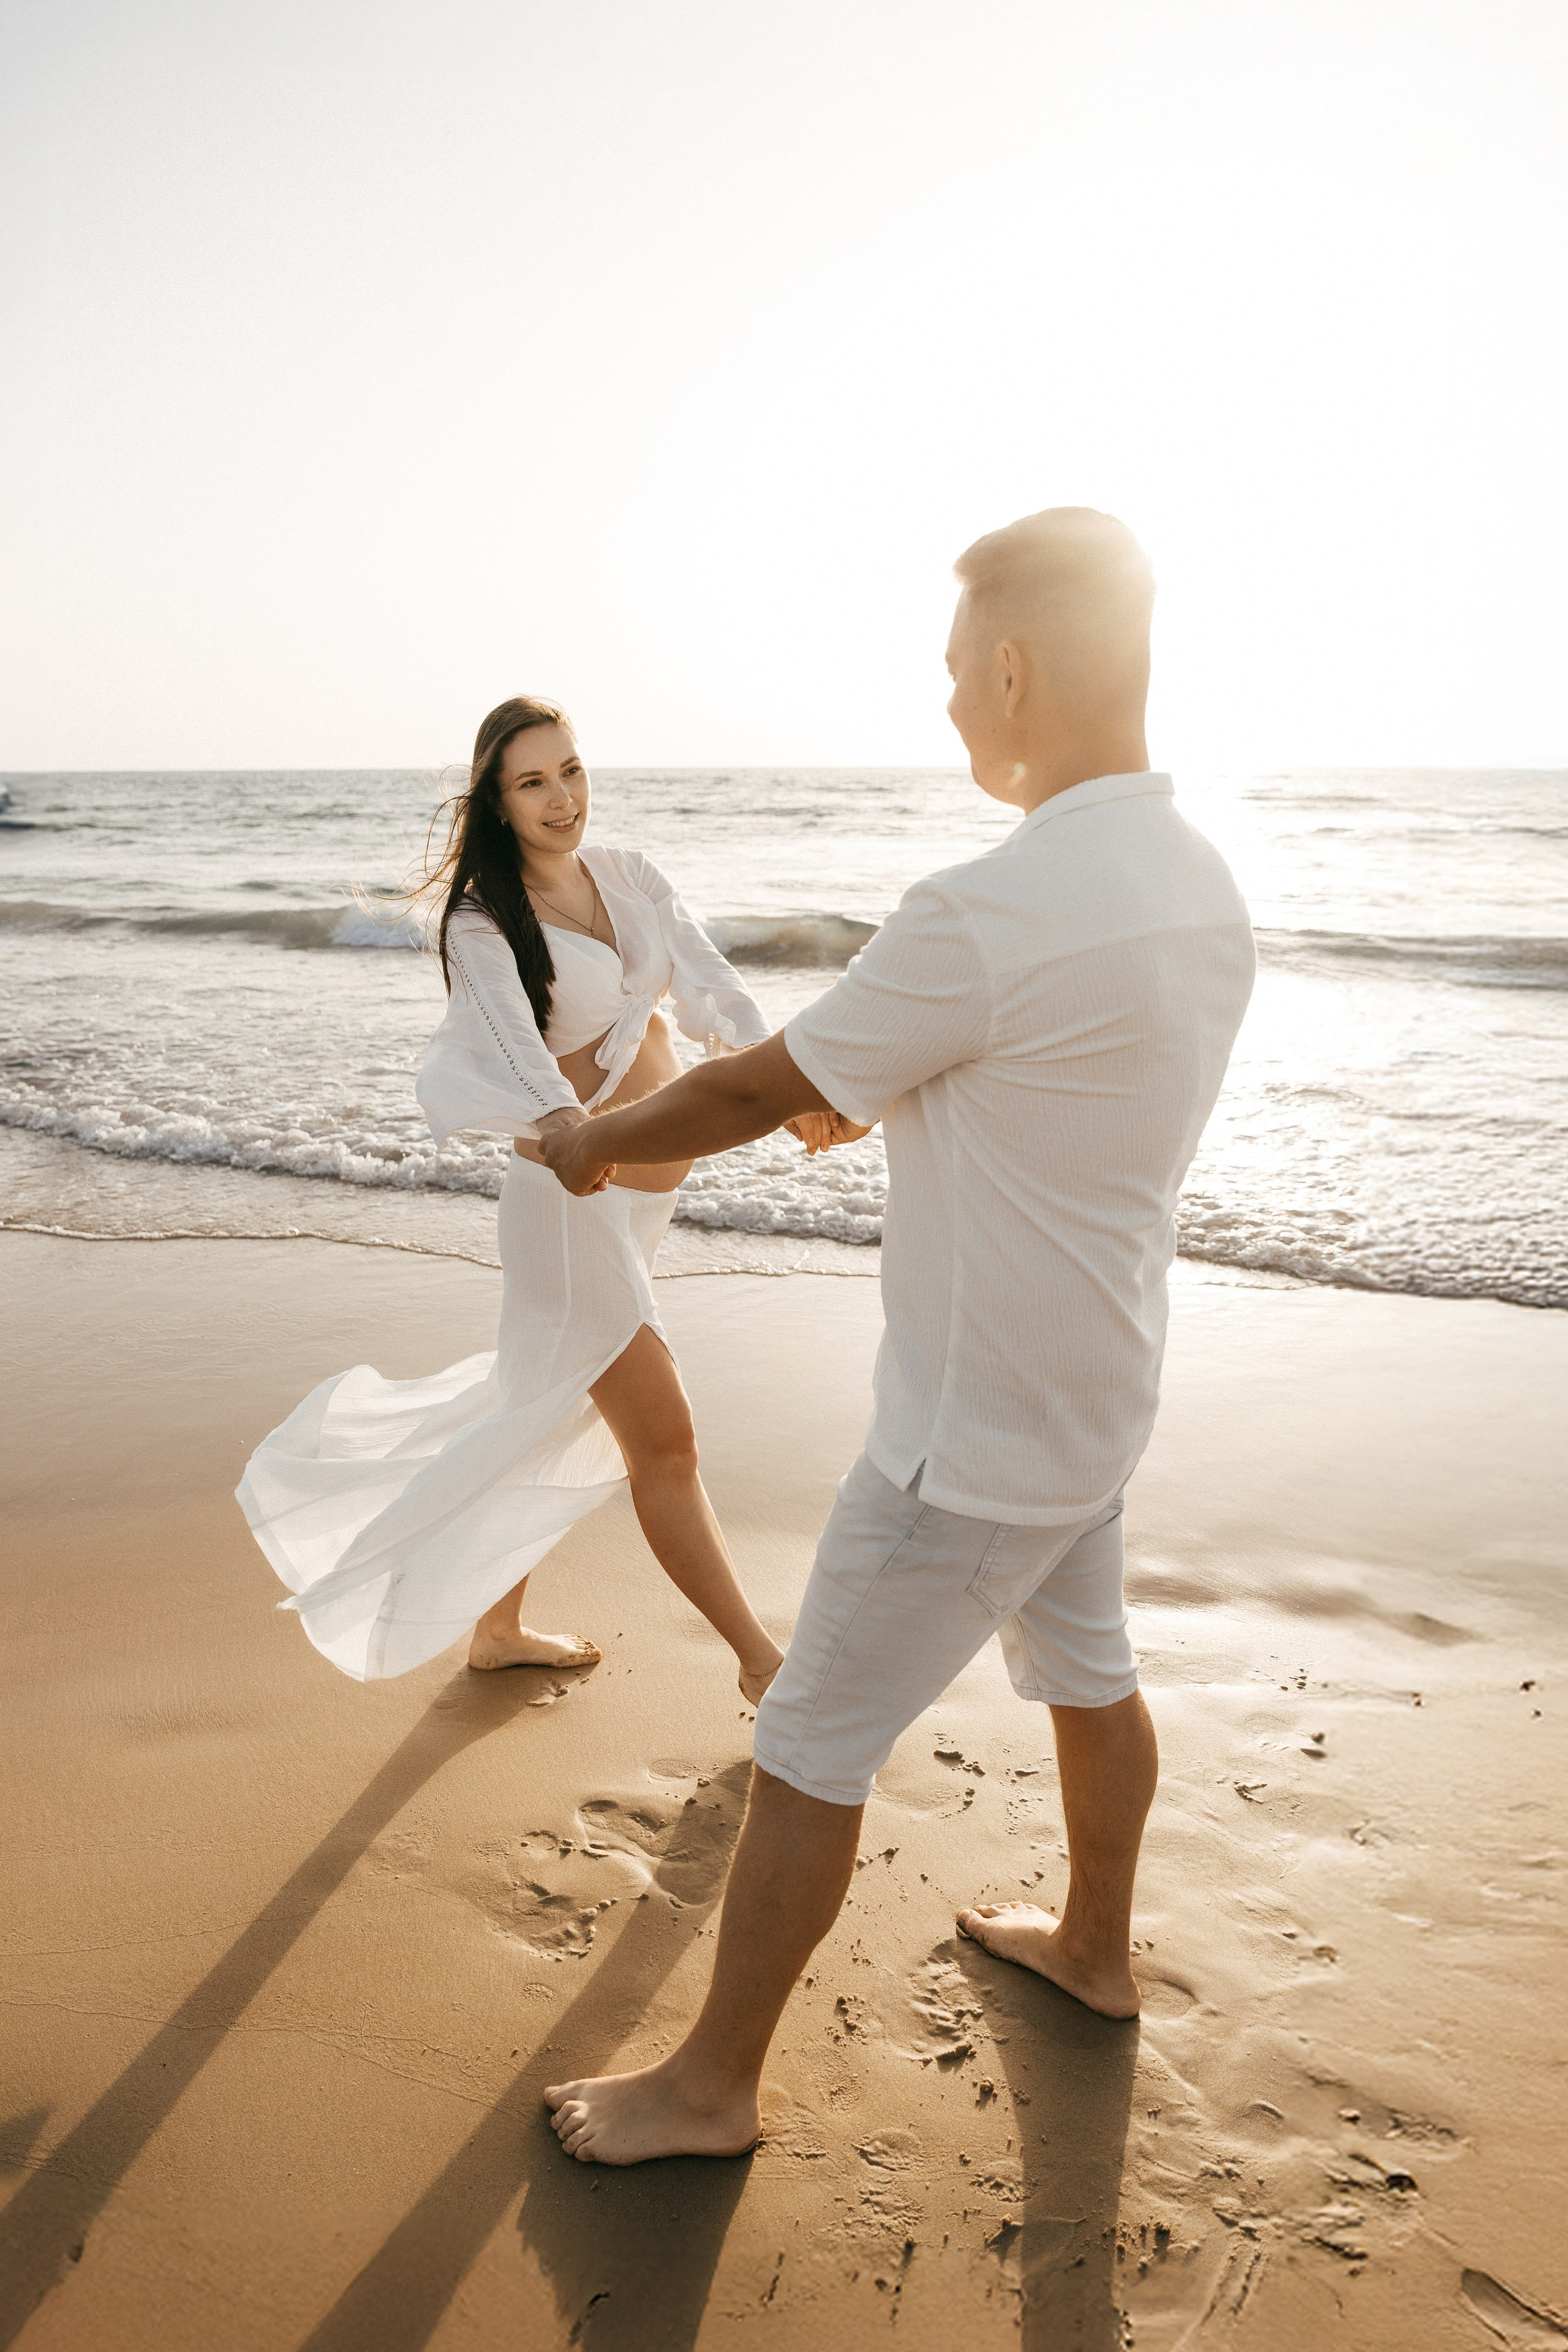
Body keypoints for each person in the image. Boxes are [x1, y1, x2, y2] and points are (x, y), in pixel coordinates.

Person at [535, 508, 1256, 2165]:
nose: (946, 709)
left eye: (953, 673)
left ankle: (712, 2087)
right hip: (1101, 1392)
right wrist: (870, 1089)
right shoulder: (1205, 884)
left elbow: (749, 1083)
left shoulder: (989, 908)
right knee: (1091, 1671)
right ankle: (1091, 1946)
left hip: (965, 1436)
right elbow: (1046, 1085)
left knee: (808, 1745)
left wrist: (590, 1140)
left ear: (1012, 669)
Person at [236, 695, 799, 1698]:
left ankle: (495, 1629)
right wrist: (573, 1127)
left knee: (539, 1410)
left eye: (571, 771)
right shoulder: (480, 921)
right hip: (568, 1206)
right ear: (496, 802)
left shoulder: (631, 878)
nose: (561, 798)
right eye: (532, 781)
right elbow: (511, 1043)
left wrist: (786, 1083)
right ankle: (766, 1666)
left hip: (637, 1208)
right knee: (664, 1442)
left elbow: (714, 991)